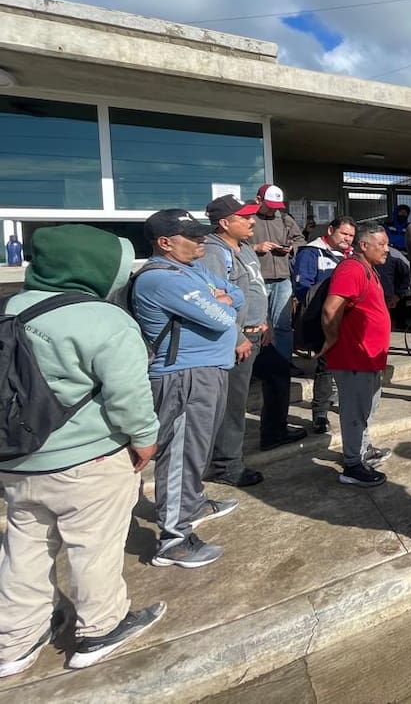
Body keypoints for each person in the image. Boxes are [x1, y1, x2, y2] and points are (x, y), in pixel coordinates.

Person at [0, 226, 165, 676]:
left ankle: (15, 641)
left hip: (17, 460)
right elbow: (129, 396)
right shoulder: (104, 319)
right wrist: (145, 440)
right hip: (87, 461)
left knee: (24, 547)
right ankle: (100, 629)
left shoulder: (10, 309)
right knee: (93, 547)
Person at [133, 209, 243, 567]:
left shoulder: (192, 269)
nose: (200, 242)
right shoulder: (160, 278)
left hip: (209, 369)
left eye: (200, 235)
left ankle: (192, 504)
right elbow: (223, 315)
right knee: (180, 452)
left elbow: (236, 296)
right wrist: (218, 301)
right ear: (165, 243)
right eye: (191, 237)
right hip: (184, 376)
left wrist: (220, 298)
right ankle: (174, 538)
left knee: (198, 447)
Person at [200, 195, 307, 488]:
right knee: (234, 404)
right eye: (244, 218)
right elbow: (211, 302)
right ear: (224, 223)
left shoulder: (245, 248)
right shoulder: (213, 253)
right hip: (235, 339)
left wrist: (267, 323)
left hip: (259, 332)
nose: (251, 221)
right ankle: (226, 465)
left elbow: (257, 291)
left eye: (251, 216)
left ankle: (274, 433)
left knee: (278, 374)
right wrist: (236, 336)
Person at [320, 222, 393, 487]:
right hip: (353, 358)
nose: (387, 249)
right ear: (364, 246)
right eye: (381, 244)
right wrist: (332, 338)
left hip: (369, 358)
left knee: (366, 409)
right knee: (354, 412)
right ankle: (352, 465)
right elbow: (331, 309)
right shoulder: (351, 269)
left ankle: (362, 451)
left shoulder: (367, 268)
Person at [293, 216, 356, 434]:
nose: (347, 239)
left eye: (351, 236)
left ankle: (337, 399)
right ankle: (319, 412)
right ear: (330, 230)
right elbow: (303, 289)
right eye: (343, 234)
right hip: (323, 318)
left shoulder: (351, 255)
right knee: (326, 366)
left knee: (344, 364)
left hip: (348, 320)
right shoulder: (311, 253)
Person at [250, 184, 305, 364]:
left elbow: (300, 240)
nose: (274, 210)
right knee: (257, 325)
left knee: (282, 325)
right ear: (258, 200)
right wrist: (256, 248)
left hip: (282, 278)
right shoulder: (246, 218)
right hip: (257, 279)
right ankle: (258, 366)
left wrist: (291, 249)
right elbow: (233, 244)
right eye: (270, 206)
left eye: (277, 206)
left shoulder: (284, 218)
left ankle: (283, 364)